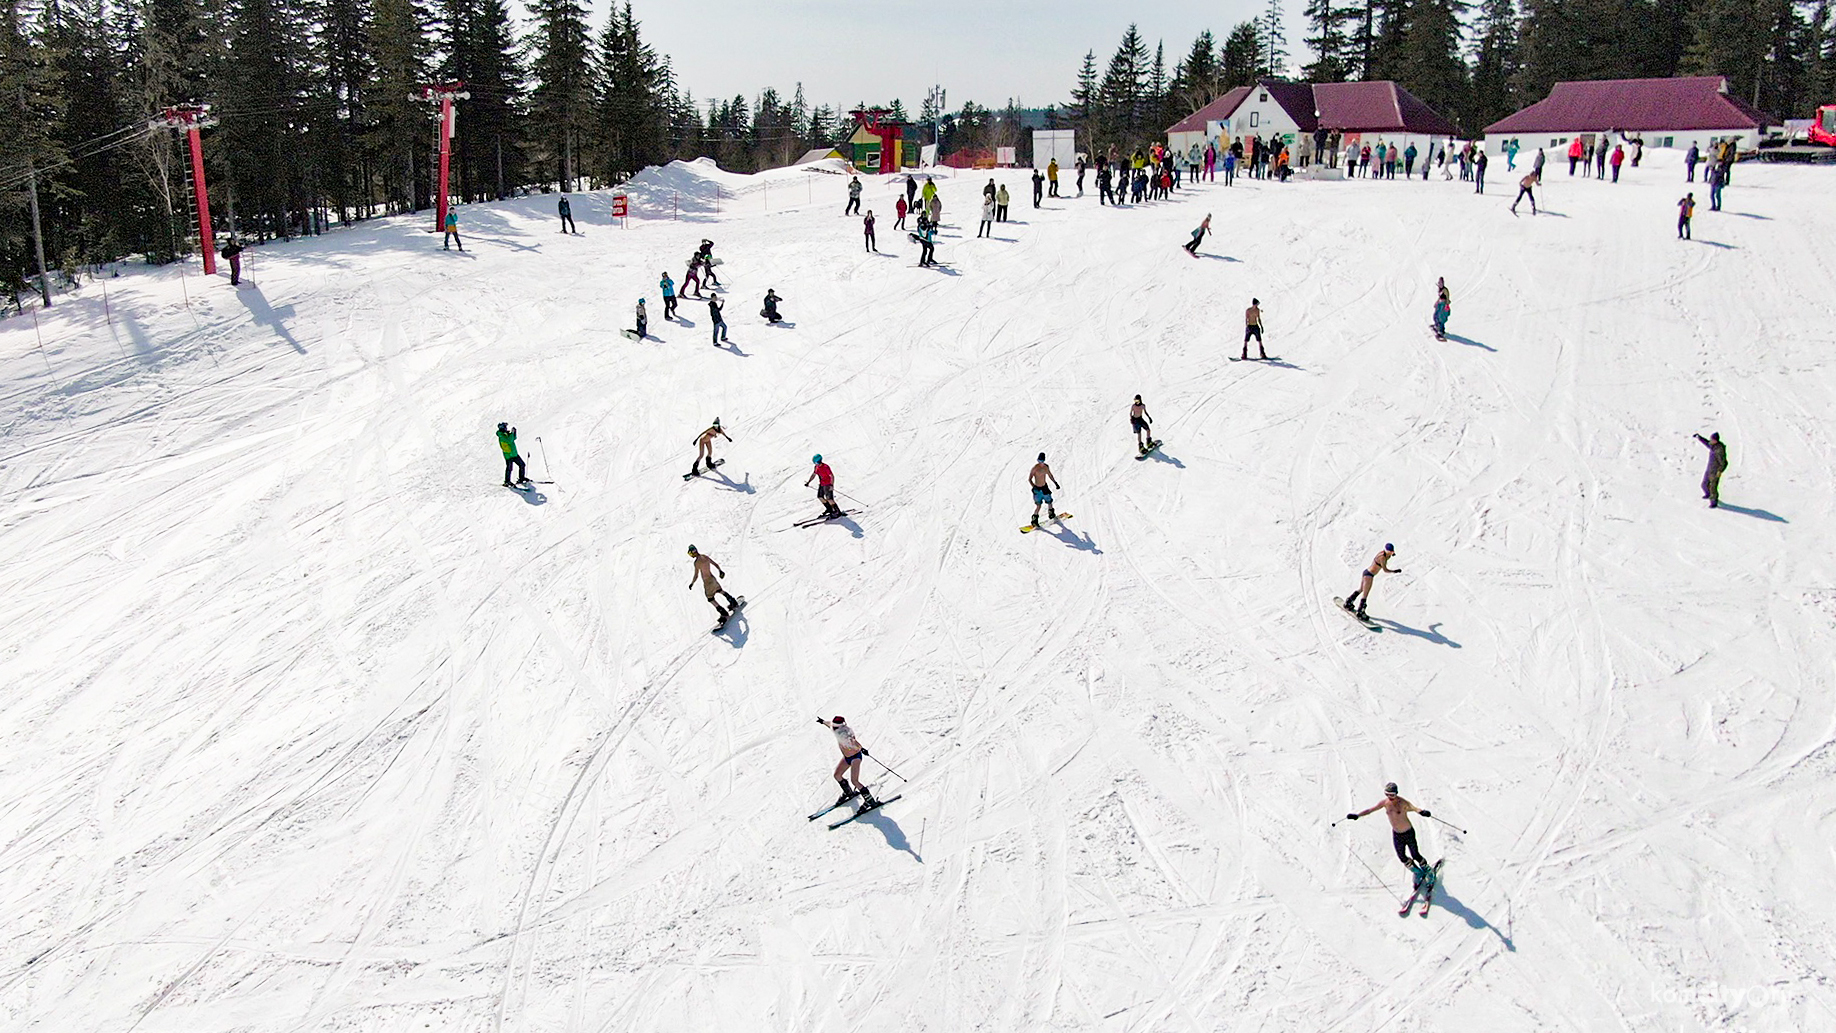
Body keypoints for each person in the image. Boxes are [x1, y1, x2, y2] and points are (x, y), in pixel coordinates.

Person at [1347, 782, 1431, 870]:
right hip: (1397, 835)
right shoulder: (1385, 803)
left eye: (1392, 795)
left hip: (1408, 832)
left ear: (1396, 793)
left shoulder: (1402, 802)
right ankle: (1417, 872)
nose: (1390, 797)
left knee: (1415, 854)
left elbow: (1413, 808)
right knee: (1401, 857)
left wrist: (1422, 812)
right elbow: (1370, 810)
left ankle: (1428, 870)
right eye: (1387, 794)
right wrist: (1357, 815)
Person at [817, 716, 876, 808]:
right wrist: (823, 721)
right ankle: (849, 793)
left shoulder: (846, 733)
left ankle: (870, 801)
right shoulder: (835, 728)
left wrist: (861, 748)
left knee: (855, 781)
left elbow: (854, 742)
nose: (834, 728)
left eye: (836, 727)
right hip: (847, 757)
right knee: (837, 775)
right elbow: (830, 725)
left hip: (855, 758)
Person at [687, 545, 741, 624]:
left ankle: (723, 613)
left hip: (707, 583)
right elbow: (715, 564)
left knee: (710, 599)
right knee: (720, 590)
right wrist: (720, 571)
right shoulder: (705, 557)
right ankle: (732, 601)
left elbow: (696, 575)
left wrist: (692, 583)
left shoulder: (696, 563)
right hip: (713, 579)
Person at [1344, 543, 1399, 619]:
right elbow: (1385, 570)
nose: (1391, 553)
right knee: (1365, 594)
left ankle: (1349, 601)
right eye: (1390, 551)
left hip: (1367, 573)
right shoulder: (1382, 557)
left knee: (1361, 589)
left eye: (1392, 551)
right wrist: (1394, 571)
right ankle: (1360, 611)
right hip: (1369, 575)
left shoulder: (1386, 554)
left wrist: (1391, 554)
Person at [1027, 452, 1060, 528]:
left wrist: (1055, 483)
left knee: (1049, 501)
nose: (1040, 463)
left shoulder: (1046, 467)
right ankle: (1034, 519)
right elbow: (1029, 479)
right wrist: (1034, 487)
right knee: (1038, 505)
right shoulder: (1035, 468)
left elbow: (1050, 475)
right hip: (1037, 490)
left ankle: (1051, 514)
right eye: (1039, 461)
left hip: (1044, 488)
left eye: (1042, 461)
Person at [1695, 431, 1727, 507]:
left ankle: (1713, 502)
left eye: (1712, 439)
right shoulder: (1713, 446)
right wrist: (1699, 437)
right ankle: (1708, 494)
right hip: (1709, 469)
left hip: (1715, 471)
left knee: (1713, 487)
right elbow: (1707, 443)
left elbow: (1724, 463)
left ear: (1716, 440)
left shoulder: (1719, 450)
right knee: (1704, 484)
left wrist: (1720, 471)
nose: (1710, 441)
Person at [496, 422, 527, 487]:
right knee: (509, 468)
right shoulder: (501, 436)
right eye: (505, 427)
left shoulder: (506, 434)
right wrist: (512, 433)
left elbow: (513, 438)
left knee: (522, 465)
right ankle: (507, 481)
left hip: (514, 453)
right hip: (509, 455)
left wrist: (514, 433)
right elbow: (509, 440)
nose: (506, 428)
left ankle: (521, 478)